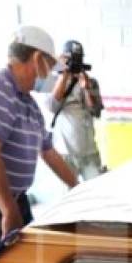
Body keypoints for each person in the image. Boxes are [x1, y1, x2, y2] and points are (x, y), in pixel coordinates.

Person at [0, 25, 79, 258]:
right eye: (50, 68)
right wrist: (8, 212)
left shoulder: (28, 104)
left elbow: (48, 152)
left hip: (13, 202)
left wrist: (78, 187)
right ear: (36, 59)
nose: (49, 77)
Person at [45, 39, 104, 181]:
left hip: (89, 151)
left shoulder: (90, 82)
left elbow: (96, 111)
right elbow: (51, 106)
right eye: (71, 60)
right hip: (64, 153)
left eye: (78, 59)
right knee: (69, 196)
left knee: (95, 191)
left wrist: (86, 88)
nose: (74, 64)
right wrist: (63, 74)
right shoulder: (53, 81)